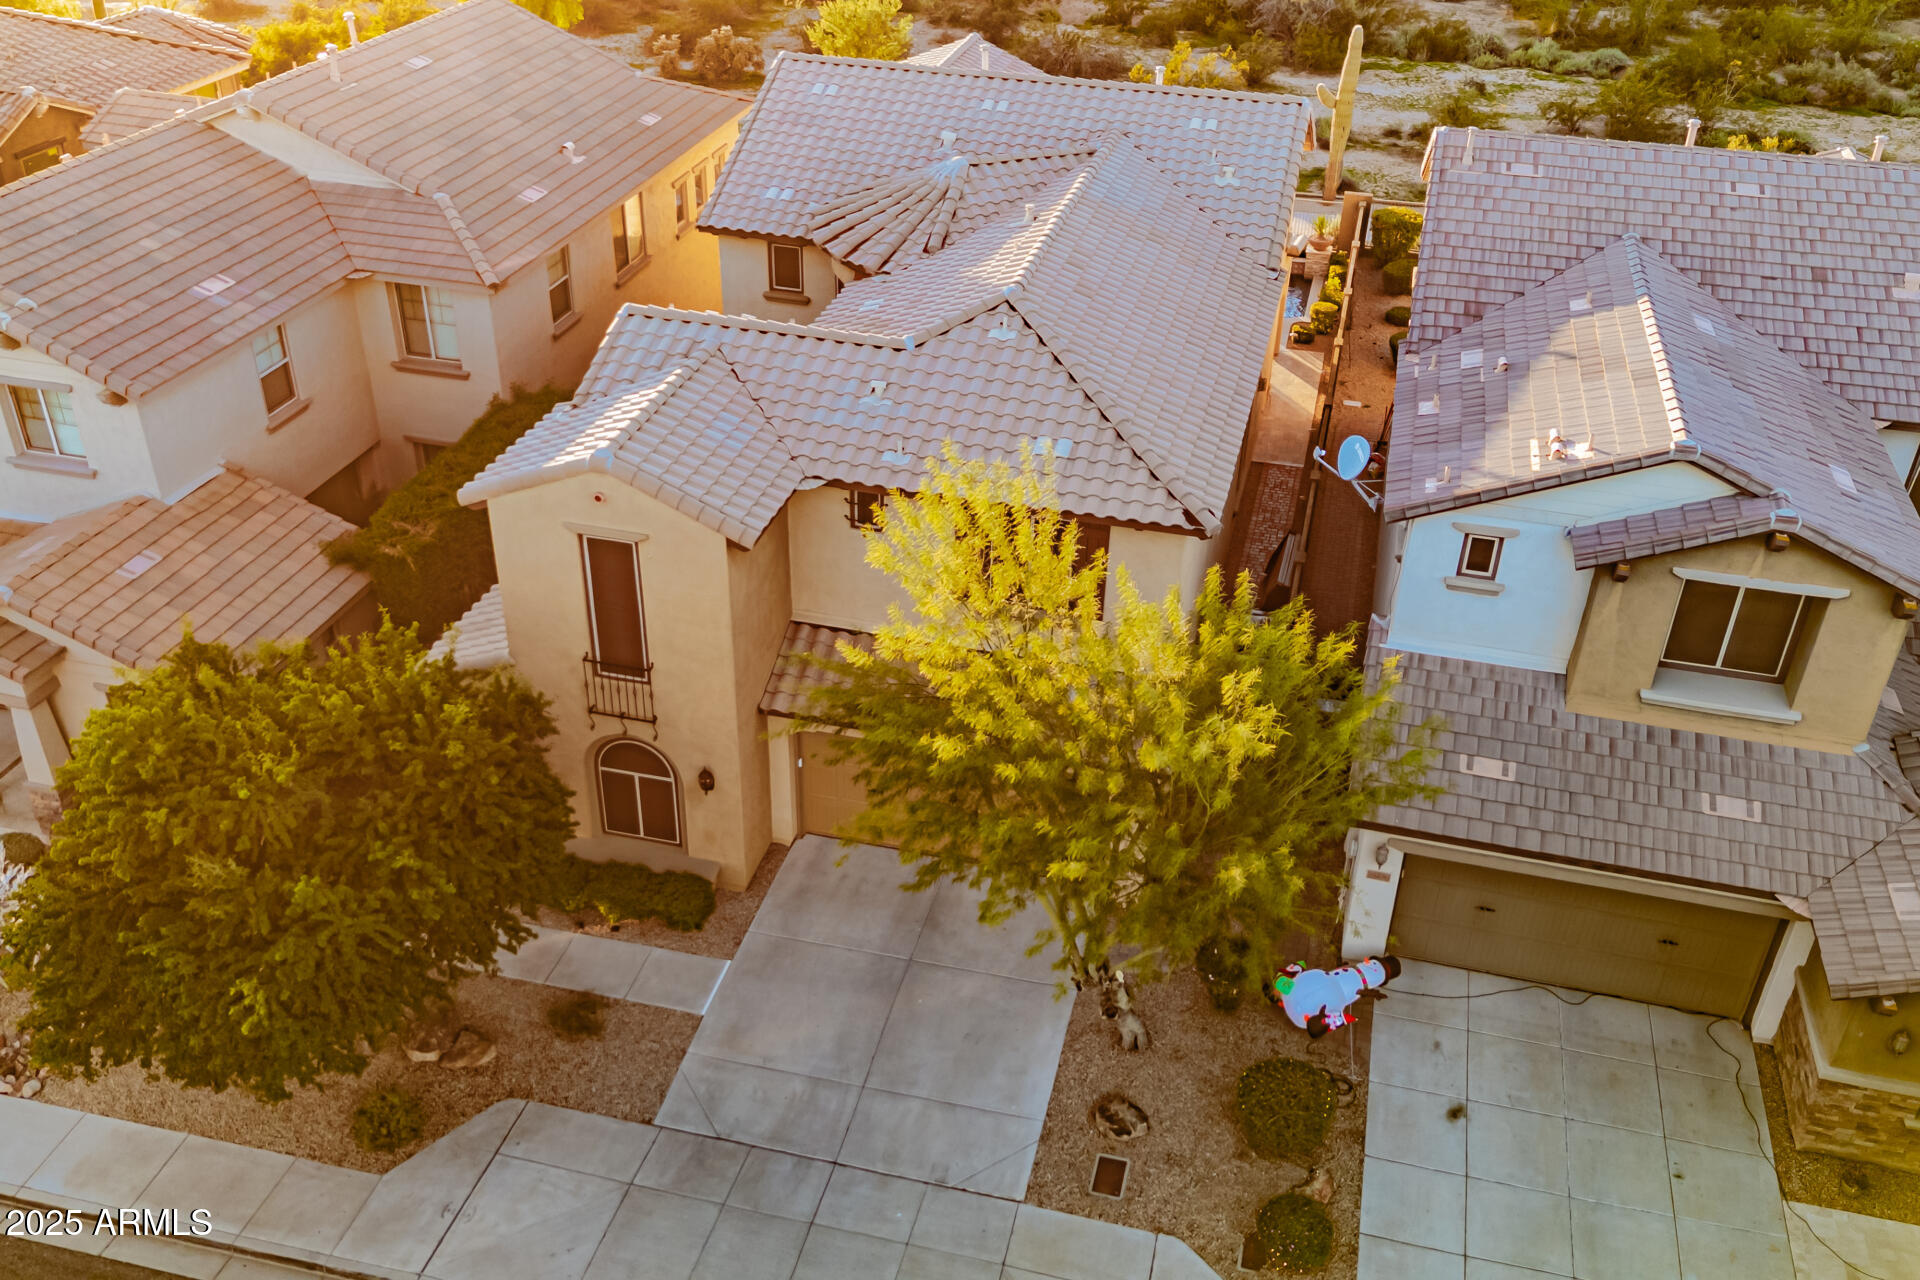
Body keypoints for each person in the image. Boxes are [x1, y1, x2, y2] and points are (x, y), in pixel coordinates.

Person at [1264, 955, 1401, 1038]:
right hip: (1300, 1000)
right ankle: (1279, 995)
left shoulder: (1294, 989)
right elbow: (1339, 1020)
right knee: (1293, 974)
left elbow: (1334, 1021)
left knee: (1293, 974)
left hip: (1299, 996)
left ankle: (1278, 994)